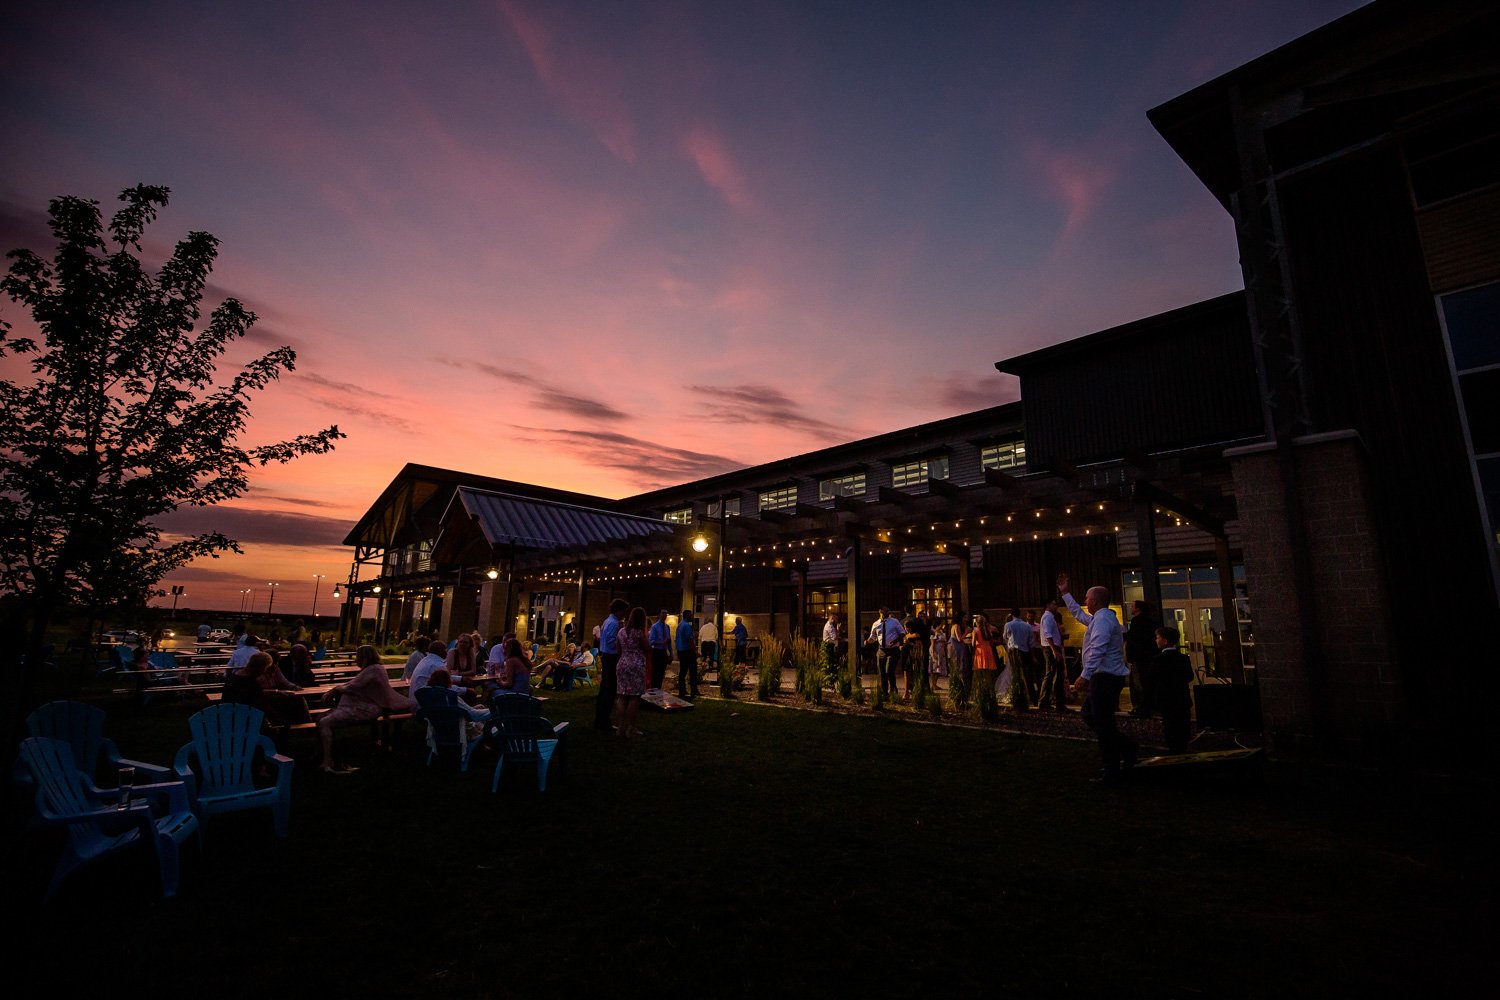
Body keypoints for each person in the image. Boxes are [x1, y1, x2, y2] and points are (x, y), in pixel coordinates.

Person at [1059, 573, 1137, 784]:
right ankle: (1126, 749)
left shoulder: (1103, 620)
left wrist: (1085, 675)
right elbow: (1079, 615)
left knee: (1102, 723)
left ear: (1094, 601)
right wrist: (1065, 594)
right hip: (1105, 677)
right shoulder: (1101, 618)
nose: (1085, 602)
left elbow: (1098, 648)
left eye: (1086, 599)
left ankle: (1112, 768)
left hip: (1105, 678)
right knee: (1091, 715)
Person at [316, 645, 409, 774]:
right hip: (363, 707)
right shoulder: (374, 669)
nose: (356, 660)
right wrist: (336, 689)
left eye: (358, 657)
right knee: (321, 718)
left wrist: (335, 689)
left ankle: (327, 761)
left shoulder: (373, 670)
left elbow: (351, 686)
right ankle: (328, 756)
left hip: (367, 710)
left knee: (325, 722)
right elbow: (352, 684)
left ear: (363, 657)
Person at [1149, 626, 1194, 753]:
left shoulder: (1158, 660)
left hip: (1166, 699)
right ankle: (1182, 749)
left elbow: (1151, 678)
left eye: (1158, 638)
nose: (1156, 641)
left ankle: (1174, 751)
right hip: (1182, 698)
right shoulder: (1183, 658)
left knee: (1170, 728)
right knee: (1183, 727)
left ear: (1165, 641)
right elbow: (1189, 676)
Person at [614, 606, 650, 737]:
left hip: (622, 663)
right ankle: (631, 727)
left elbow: (618, 649)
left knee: (622, 696)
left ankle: (620, 727)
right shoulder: (639, 632)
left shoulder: (621, 632)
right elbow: (647, 648)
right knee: (634, 697)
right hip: (636, 664)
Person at [594, 599, 629, 731]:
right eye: (624, 611)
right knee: (609, 690)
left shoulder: (607, 621)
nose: (625, 614)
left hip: (606, 656)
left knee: (604, 689)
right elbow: (610, 641)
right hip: (611, 657)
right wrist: (621, 643)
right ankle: (604, 721)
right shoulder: (614, 623)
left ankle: (600, 719)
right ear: (618, 610)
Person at [1124, 601, 1159, 717]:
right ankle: (1149, 706)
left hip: (1138, 658)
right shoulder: (1150, 621)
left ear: (1138, 609)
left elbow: (1133, 637)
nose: (1130, 608)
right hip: (1147, 657)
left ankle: (1140, 707)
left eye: (1132, 606)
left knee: (1137, 683)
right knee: (1146, 682)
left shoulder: (1136, 622)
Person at [1037, 600, 1068, 712]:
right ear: (1048, 605)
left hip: (1052, 647)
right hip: (1051, 648)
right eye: (1054, 604)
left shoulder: (1049, 617)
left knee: (1055, 675)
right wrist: (1054, 650)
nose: (1056, 606)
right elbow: (1048, 634)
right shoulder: (1048, 618)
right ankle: (1047, 701)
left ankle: (1053, 702)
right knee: (1053, 674)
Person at [869, 607, 905, 697]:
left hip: (893, 650)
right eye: (882, 612)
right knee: (882, 672)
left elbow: (902, 633)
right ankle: (884, 692)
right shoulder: (876, 624)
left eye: (885, 612)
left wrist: (896, 641)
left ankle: (893, 690)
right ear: (880, 613)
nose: (883, 614)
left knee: (889, 670)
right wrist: (868, 641)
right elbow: (873, 637)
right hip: (882, 650)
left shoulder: (894, 621)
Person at [1003, 609, 1034, 709]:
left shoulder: (1009, 625)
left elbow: (1005, 637)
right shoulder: (1027, 626)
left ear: (1012, 615)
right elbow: (1031, 641)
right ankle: (1031, 697)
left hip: (1014, 650)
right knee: (1027, 674)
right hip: (1025, 650)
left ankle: (1018, 695)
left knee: (1015, 673)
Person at [408, 637, 449, 708]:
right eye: (445, 649)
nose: (447, 652)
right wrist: (465, 689)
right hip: (424, 705)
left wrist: (461, 678)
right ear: (440, 651)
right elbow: (447, 684)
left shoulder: (426, 660)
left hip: (416, 701)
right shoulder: (437, 664)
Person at [675, 609, 699, 699]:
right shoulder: (687, 626)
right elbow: (690, 640)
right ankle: (693, 691)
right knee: (693, 671)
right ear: (687, 616)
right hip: (688, 651)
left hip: (681, 651)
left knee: (682, 672)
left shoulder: (679, 625)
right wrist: (695, 651)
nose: (692, 617)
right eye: (691, 615)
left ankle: (682, 691)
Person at [648, 609, 672, 691]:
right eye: (663, 613)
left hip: (663, 652)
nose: (665, 615)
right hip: (657, 651)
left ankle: (659, 688)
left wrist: (671, 654)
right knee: (655, 673)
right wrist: (662, 642)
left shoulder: (667, 627)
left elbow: (669, 641)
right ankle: (653, 689)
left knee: (662, 672)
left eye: (666, 613)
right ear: (659, 614)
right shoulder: (654, 627)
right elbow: (651, 641)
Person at [948, 613, 971, 687]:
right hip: (957, 646)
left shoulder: (954, 625)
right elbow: (959, 639)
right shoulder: (956, 626)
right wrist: (966, 632)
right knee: (959, 663)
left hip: (955, 646)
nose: (965, 619)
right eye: (964, 618)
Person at [821, 611, 841, 676]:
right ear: (831, 619)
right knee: (831, 661)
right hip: (829, 646)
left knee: (829, 662)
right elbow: (834, 637)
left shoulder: (829, 625)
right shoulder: (830, 627)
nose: (835, 620)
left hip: (829, 645)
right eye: (834, 619)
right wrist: (838, 629)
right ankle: (830, 675)